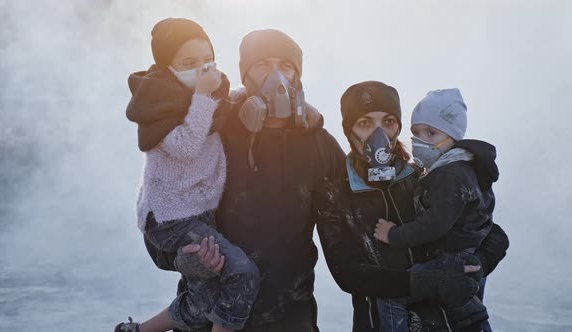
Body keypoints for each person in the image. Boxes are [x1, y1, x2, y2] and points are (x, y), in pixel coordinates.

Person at [154, 28, 347, 331]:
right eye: (262, 65)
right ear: (245, 75)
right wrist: (186, 260)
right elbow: (160, 227)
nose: (276, 76)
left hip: (290, 318)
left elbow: (352, 232)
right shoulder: (208, 134)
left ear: (297, 76)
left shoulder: (319, 145)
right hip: (209, 317)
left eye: (285, 66)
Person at [313, 81, 509, 331]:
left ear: (399, 127)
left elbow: (492, 233)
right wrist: (426, 280)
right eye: (365, 123)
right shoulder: (333, 195)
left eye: (388, 121)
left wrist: (474, 266)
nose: (379, 133)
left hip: (460, 322)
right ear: (348, 130)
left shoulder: (424, 177)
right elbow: (348, 273)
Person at [116, 18, 260, 332]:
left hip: (197, 213)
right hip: (171, 218)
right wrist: (204, 97)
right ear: (168, 67)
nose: (203, 69)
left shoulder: (203, 93)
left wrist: (244, 94)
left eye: (208, 60)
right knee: (242, 273)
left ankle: (136, 331)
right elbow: (186, 146)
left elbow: (222, 107)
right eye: (190, 63)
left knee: (200, 305)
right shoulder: (157, 105)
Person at [372, 88, 498, 331]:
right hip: (469, 254)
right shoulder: (462, 168)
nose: (421, 140)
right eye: (416, 132)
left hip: (453, 257)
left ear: (453, 135)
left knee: (390, 296)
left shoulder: (450, 174)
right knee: (467, 313)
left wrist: (393, 235)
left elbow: (436, 223)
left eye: (431, 132)